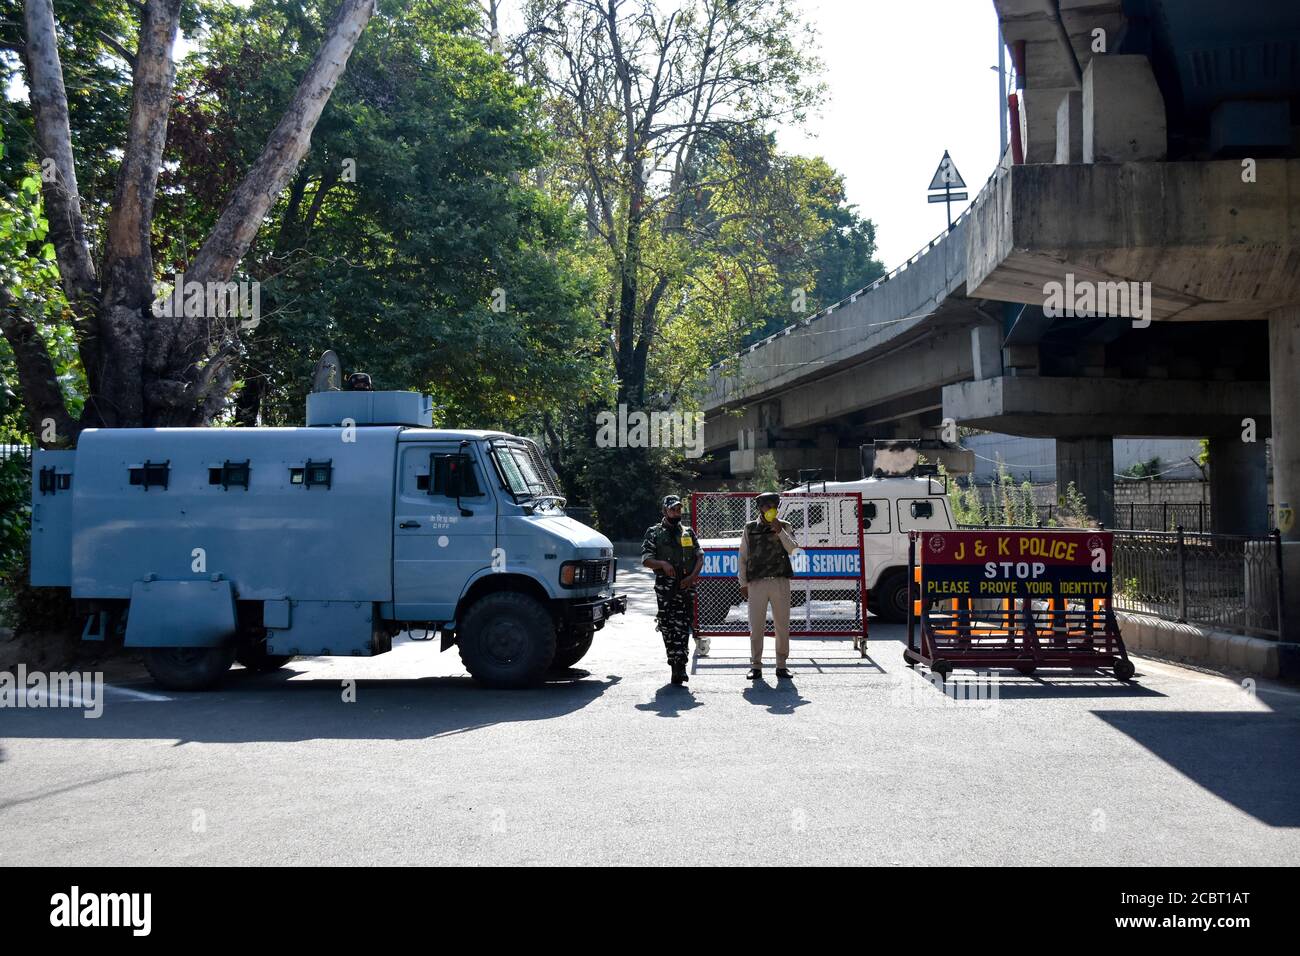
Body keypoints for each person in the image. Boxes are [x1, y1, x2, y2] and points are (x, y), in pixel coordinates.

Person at [641, 495, 703, 685]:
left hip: (685, 586)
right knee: (668, 627)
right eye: (673, 510)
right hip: (666, 589)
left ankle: (681, 667)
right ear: (664, 511)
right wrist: (661, 563)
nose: (677, 513)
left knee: (683, 626)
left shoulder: (688, 532)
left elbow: (699, 557)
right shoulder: (654, 533)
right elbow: (646, 560)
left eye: (678, 509)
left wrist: (691, 578)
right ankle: (673, 664)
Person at [737, 491, 798, 680]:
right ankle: (755, 665)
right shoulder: (750, 528)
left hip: (780, 581)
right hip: (757, 583)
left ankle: (781, 664)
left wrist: (779, 530)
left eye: (773, 506)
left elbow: (794, 550)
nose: (769, 509)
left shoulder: (785, 526)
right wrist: (743, 583)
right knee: (756, 626)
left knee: (782, 625)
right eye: (765, 506)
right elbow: (743, 557)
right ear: (760, 508)